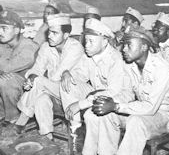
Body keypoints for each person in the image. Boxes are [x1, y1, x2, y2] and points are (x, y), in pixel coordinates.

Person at [92, 27, 169, 155]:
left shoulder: (161, 68)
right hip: (139, 110)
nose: (124, 49)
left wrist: (116, 106)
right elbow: (127, 93)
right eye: (123, 45)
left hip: (164, 115)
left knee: (136, 121)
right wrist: (110, 102)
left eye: (129, 45)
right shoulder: (130, 65)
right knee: (107, 115)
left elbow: (151, 107)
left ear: (144, 47)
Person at [61, 18, 134, 154]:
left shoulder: (115, 59)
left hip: (118, 100)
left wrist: (80, 104)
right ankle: (75, 128)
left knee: (91, 115)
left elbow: (113, 92)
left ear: (105, 41)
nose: (86, 45)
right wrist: (67, 73)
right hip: (97, 96)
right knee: (67, 82)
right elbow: (79, 75)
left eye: (91, 41)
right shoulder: (89, 55)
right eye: (85, 41)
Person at [14, 13, 84, 142]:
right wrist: (31, 77)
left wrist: (37, 82)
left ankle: (23, 117)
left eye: (55, 33)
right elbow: (38, 68)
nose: (50, 36)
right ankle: (47, 136)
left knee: (39, 82)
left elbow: (58, 75)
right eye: (49, 32)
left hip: (74, 93)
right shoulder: (46, 47)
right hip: (53, 91)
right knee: (41, 100)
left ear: (66, 35)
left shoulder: (75, 48)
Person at [0, 10, 39, 126]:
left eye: (4, 28)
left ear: (16, 30)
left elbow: (7, 67)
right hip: (11, 92)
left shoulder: (28, 47)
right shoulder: (4, 44)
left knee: (6, 80)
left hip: (30, 92)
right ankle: (3, 113)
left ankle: (15, 117)